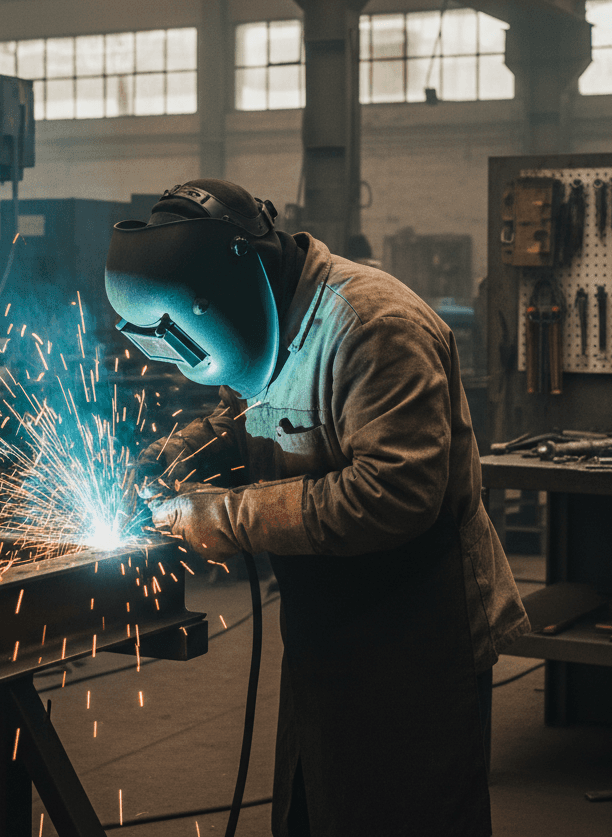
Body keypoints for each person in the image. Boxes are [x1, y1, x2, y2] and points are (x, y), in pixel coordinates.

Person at [104, 179, 529, 837]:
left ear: (241, 279)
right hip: (326, 634)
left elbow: (396, 494)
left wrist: (225, 518)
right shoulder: (264, 318)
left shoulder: (374, 326)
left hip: (418, 642)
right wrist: (177, 455)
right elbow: (241, 413)